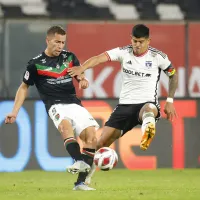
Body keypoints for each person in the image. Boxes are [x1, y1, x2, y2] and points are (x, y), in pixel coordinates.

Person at [68, 24, 178, 184]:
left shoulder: (158, 57)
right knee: (99, 143)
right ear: (130, 39)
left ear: (149, 41)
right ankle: (84, 181)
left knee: (149, 109)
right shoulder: (124, 52)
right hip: (124, 107)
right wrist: (82, 68)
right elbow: (99, 58)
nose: (137, 45)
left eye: (141, 41)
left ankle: (147, 129)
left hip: (146, 103)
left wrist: (170, 100)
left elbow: (173, 75)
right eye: (135, 41)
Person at [4, 26, 99, 191]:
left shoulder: (69, 57)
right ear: (47, 41)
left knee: (91, 137)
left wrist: (82, 80)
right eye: (57, 42)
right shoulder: (35, 64)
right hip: (55, 104)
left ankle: (80, 183)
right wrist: (15, 111)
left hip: (74, 103)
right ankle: (79, 160)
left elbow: (78, 73)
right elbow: (24, 87)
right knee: (65, 126)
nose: (60, 46)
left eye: (63, 42)